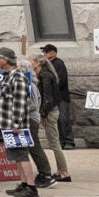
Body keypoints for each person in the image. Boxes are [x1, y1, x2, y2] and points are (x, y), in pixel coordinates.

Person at [0, 48, 42, 197]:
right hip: (8, 123)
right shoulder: (8, 76)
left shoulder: (17, 77)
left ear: (4, 59)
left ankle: (31, 187)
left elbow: (20, 102)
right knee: (16, 155)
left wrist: (16, 123)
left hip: (16, 124)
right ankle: (24, 184)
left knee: (22, 154)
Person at [35, 43, 74, 184]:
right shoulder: (46, 73)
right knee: (54, 141)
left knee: (54, 143)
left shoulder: (46, 75)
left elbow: (47, 97)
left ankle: (64, 172)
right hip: (51, 110)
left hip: (51, 110)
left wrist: (44, 114)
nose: (45, 53)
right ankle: (60, 171)